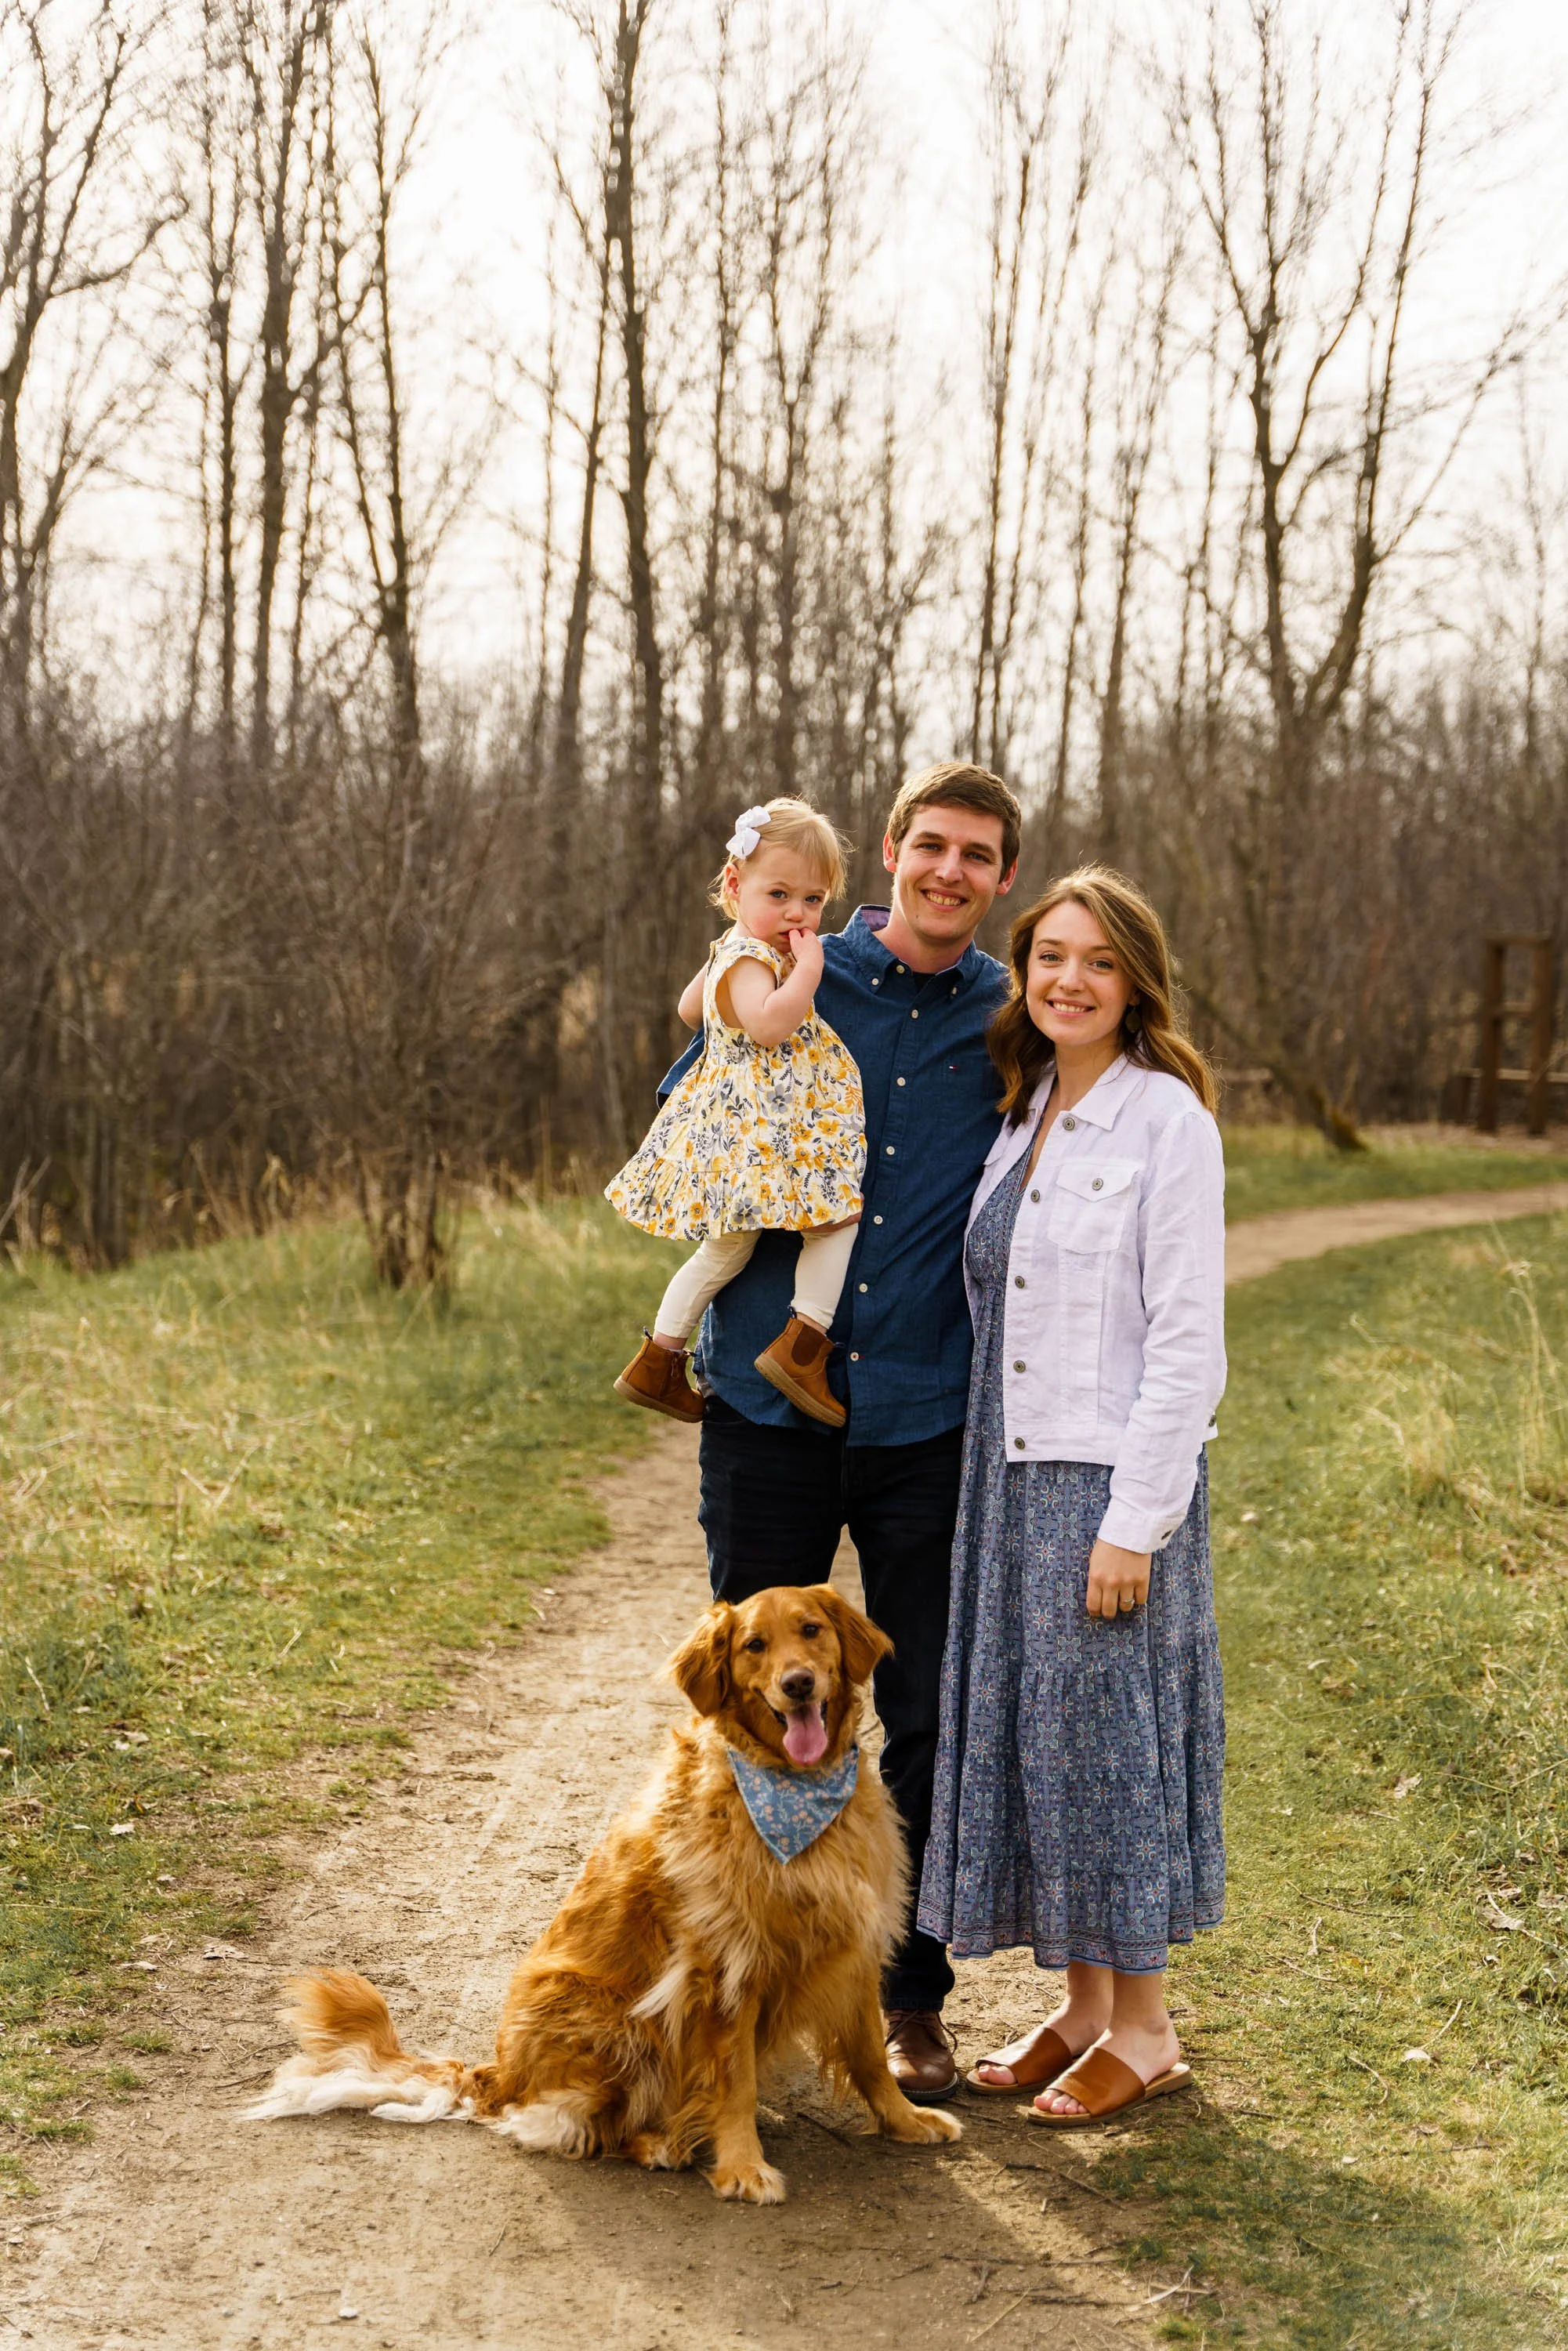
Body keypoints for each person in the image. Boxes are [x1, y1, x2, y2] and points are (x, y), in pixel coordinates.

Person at [661, 762, 1023, 2104]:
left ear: (999, 879)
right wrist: (724, 997)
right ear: (889, 852)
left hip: (929, 1415)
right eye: (930, 846)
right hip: (768, 1403)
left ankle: (902, 2001)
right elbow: (690, 1100)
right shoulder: (789, 958)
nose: (948, 872)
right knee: (743, 1709)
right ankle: (731, 1981)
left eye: (977, 857)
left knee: (924, 1709)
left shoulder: (1010, 1015)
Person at [918, 866, 1226, 2126]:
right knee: (1053, 1753)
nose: (1069, 980)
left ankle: (1146, 2030)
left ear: (1134, 981)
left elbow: (1186, 1342)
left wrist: (1131, 1523)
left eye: (1097, 961)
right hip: (1009, 1481)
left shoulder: (1167, 1121)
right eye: (1049, 956)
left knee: (1109, 1751)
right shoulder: (1024, 1107)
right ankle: (1087, 2009)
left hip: (1105, 1487)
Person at [607, 798, 865, 1430]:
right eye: (778, 894)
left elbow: (690, 1010)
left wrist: (733, 956)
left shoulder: (731, 947)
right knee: (836, 1220)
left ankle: (659, 1359)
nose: (797, 914)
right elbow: (770, 1025)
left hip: (737, 1131)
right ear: (733, 884)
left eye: (813, 900)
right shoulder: (754, 960)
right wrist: (805, 973)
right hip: (765, 1133)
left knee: (725, 1252)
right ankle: (804, 1342)